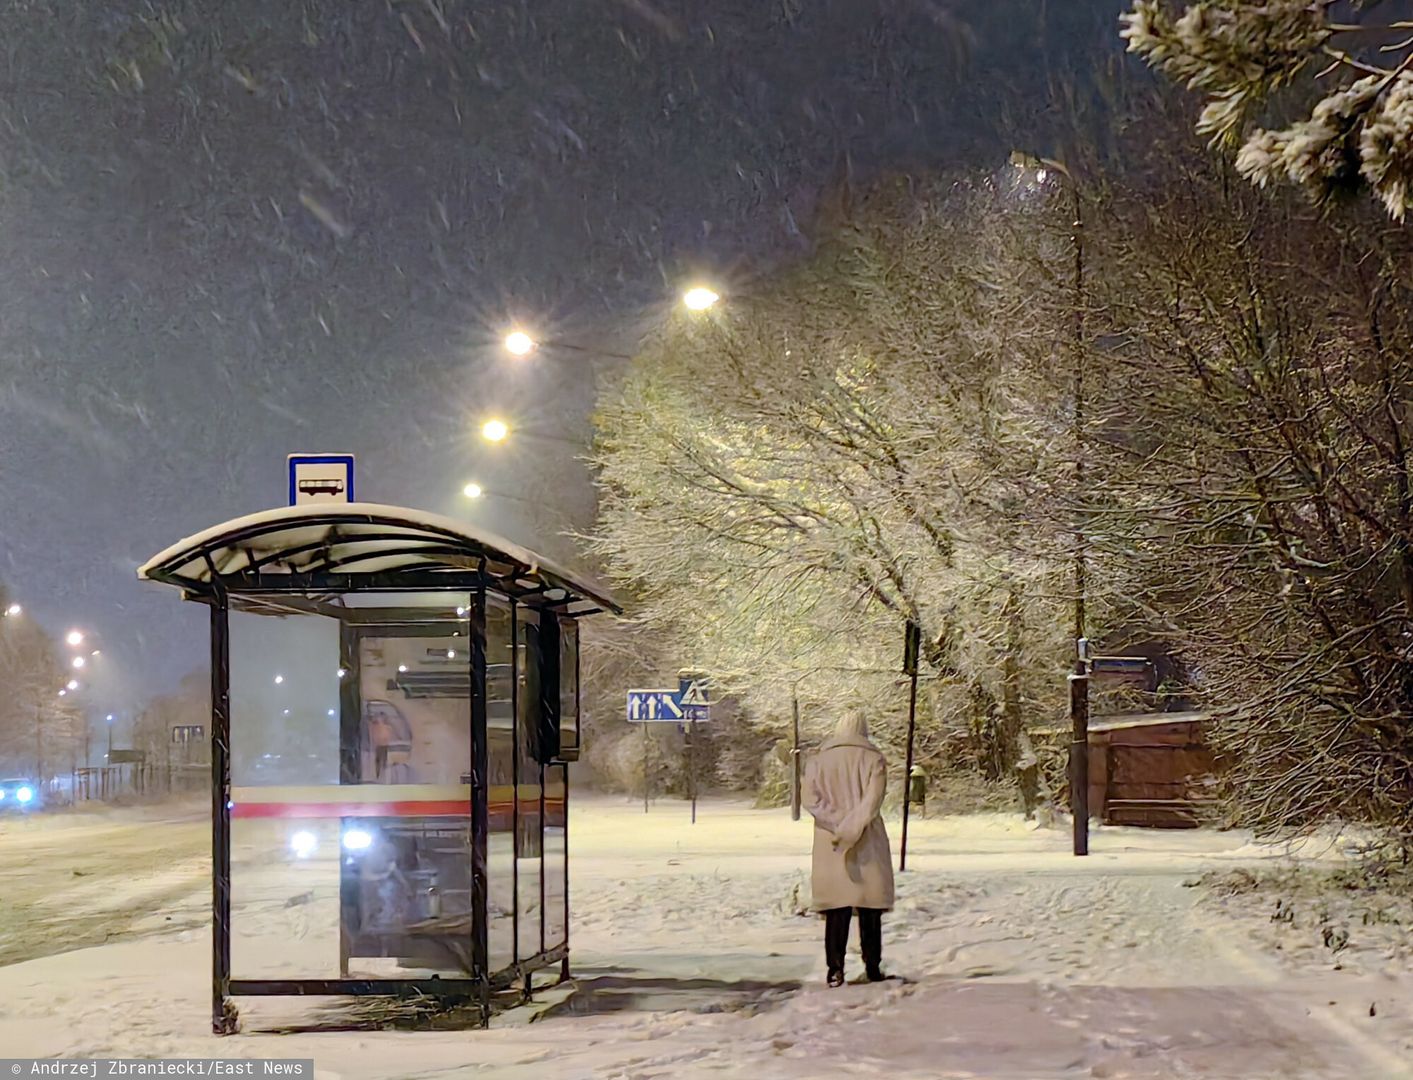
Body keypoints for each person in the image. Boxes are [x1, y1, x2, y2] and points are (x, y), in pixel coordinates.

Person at [803, 709, 895, 987]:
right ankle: (873, 966)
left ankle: (835, 968)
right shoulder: (874, 760)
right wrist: (853, 827)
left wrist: (838, 825)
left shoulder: (817, 762)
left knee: (836, 907)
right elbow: (872, 803)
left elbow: (810, 800)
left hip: (830, 842)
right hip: (867, 838)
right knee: (870, 906)